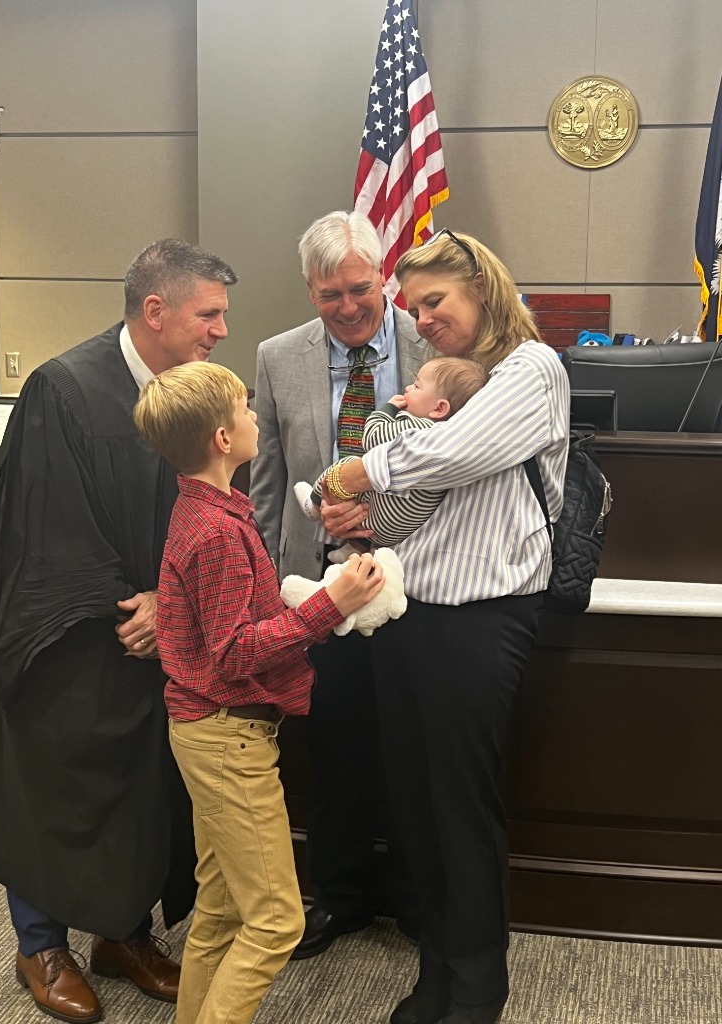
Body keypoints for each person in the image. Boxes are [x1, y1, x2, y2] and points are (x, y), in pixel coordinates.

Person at [0, 239, 238, 1024]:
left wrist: (169, 600)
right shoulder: (66, 389)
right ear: (157, 310)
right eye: (208, 314)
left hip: (153, 639)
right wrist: (131, 602)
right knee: (50, 788)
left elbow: (203, 507)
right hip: (64, 639)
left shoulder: (188, 392)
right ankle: (40, 944)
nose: (220, 330)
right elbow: (51, 533)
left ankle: (122, 933)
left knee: (141, 790)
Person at [319, 229, 570, 1024]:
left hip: (481, 623)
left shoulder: (532, 369)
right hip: (408, 615)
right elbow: (421, 507)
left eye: (436, 302)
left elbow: (457, 451)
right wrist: (357, 516)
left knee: (459, 810)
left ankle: (477, 989)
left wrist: (366, 468)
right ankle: (436, 978)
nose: (420, 319)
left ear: (482, 293)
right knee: (416, 810)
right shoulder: (446, 380)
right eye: (413, 307)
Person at [133, 361, 385, 1024]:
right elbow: (236, 651)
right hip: (225, 738)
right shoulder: (216, 531)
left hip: (214, 731)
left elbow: (239, 625)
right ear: (222, 438)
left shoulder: (209, 513)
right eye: (245, 411)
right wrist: (328, 607)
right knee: (275, 922)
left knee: (218, 910)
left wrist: (317, 611)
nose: (254, 419)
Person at [249, 209, 425, 958]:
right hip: (319, 595)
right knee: (337, 754)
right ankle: (342, 897)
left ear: (384, 277)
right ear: (309, 290)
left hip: (421, 583)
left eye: (359, 289)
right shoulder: (276, 356)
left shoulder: (436, 346)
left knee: (418, 751)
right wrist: (258, 582)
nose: (348, 307)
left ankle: (420, 901)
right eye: (329, 295)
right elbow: (263, 487)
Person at [295, 356, 489, 559]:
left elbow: (371, 438)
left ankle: (314, 504)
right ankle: (356, 548)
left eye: (416, 386)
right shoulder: (450, 436)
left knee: (349, 465)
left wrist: (388, 409)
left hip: (378, 518)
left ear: (439, 409)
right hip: (403, 528)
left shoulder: (416, 427)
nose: (407, 389)